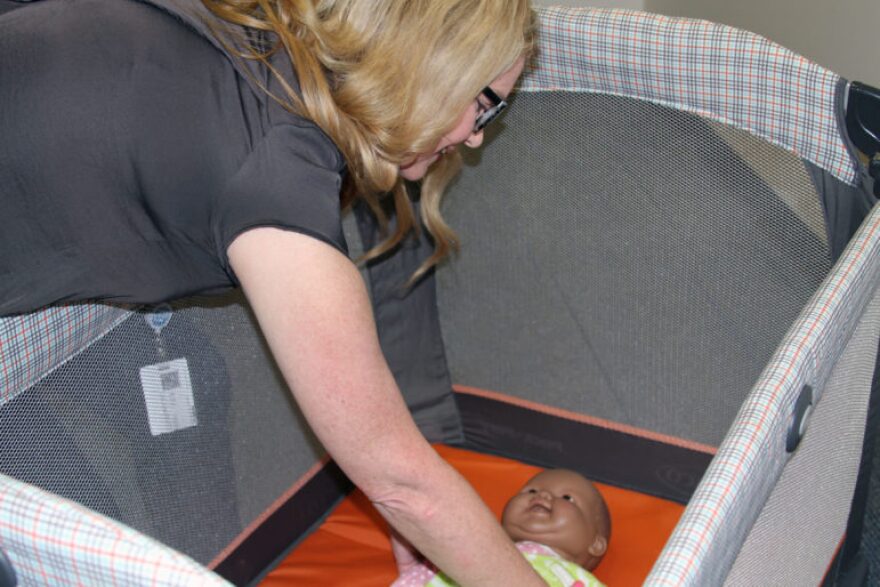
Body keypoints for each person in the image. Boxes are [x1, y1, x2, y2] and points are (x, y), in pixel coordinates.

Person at [0, 0, 542, 584]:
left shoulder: (269, 38)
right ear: (431, 68)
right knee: (49, 554)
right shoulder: (275, 176)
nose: (478, 140)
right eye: (485, 107)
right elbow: (408, 486)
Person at [392, 469, 611, 586]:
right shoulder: (482, 543)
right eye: (531, 491)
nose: (543, 495)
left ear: (596, 543)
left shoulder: (579, 580)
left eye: (566, 497)